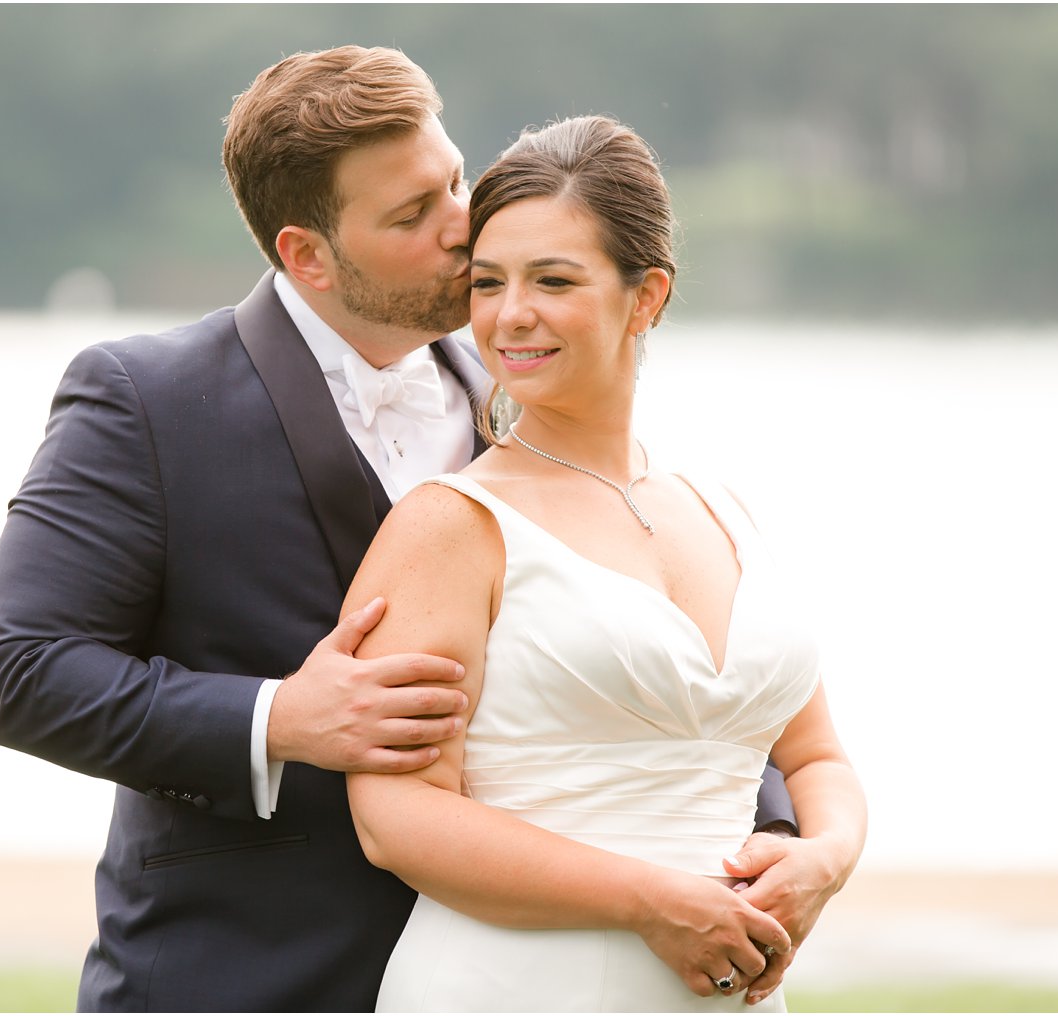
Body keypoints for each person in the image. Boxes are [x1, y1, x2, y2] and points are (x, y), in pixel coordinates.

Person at [0, 47, 829, 1012]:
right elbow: (19, 670)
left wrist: (765, 835)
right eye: (413, 216)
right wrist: (278, 719)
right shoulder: (148, 400)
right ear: (307, 255)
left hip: (528, 962)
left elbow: (619, 652)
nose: (465, 227)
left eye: (453, 180)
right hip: (249, 976)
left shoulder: (527, 376)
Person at [345, 114, 868, 1012]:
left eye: (553, 280)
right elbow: (395, 818)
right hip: (510, 984)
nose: (510, 315)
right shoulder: (450, 525)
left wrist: (822, 861)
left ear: (646, 296)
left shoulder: (718, 508)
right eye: (488, 282)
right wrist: (649, 900)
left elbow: (817, 756)